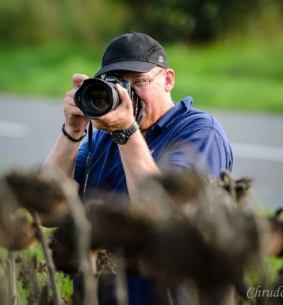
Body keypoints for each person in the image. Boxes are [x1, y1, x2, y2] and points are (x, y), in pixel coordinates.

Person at [44, 32, 233, 305]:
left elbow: (164, 217)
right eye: (117, 84)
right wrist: (72, 131)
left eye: (138, 82)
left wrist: (125, 132)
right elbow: (46, 211)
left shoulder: (199, 132)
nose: (128, 94)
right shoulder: (100, 136)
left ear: (168, 80)